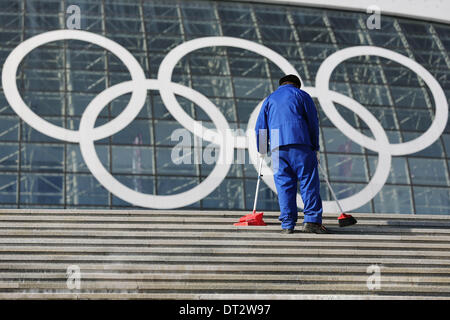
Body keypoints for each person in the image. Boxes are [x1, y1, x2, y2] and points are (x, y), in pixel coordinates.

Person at [255, 74, 328, 234]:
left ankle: (287, 224)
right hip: (300, 143)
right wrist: (315, 146)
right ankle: (312, 221)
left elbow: (261, 127)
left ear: (281, 85)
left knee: (284, 184)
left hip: (277, 147)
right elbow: (313, 122)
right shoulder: (302, 95)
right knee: (308, 181)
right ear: (297, 85)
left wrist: (261, 150)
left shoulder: (270, 99)